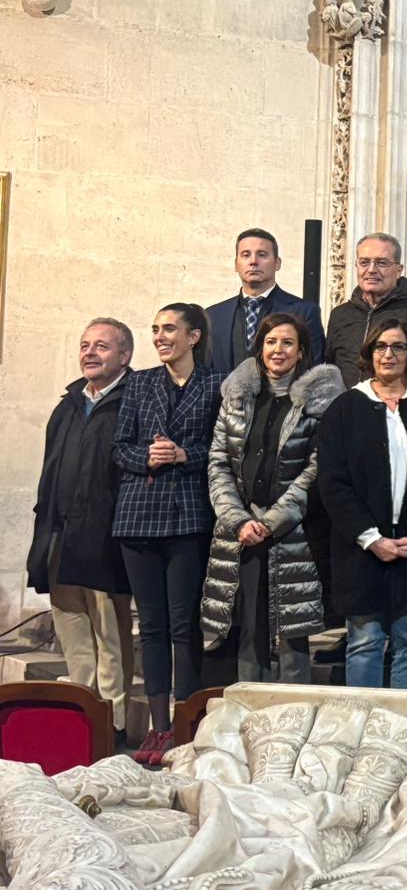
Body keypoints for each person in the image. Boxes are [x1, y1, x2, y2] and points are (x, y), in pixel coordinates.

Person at [317, 321, 407, 690]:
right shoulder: (345, 409)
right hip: (363, 552)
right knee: (365, 645)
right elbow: (333, 483)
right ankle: (362, 735)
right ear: (368, 354)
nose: (389, 354)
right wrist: (371, 538)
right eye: (381, 347)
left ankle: (403, 733)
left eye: (398, 347)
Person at [201, 313, 343, 682]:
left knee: (295, 635)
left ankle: (294, 719)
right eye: (270, 342)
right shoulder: (237, 397)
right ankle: (251, 716)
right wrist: (238, 519)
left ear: (301, 352)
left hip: (294, 531)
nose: (277, 350)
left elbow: (316, 469)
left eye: (287, 343)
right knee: (248, 626)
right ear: (259, 348)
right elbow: (218, 461)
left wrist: (270, 522)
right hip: (240, 530)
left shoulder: (318, 403)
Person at [112, 304, 225, 765]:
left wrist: (184, 455)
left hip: (188, 516)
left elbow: (223, 447)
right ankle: (158, 728)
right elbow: (119, 448)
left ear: (193, 336)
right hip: (138, 514)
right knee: (152, 625)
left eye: (170, 329)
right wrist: (147, 457)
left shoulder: (216, 385)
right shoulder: (139, 383)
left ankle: (185, 725)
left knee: (184, 624)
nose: (160, 337)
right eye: (155, 329)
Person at [27, 318, 137, 745]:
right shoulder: (69, 404)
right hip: (60, 533)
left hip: (105, 536)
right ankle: (81, 712)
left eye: (102, 347)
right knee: (72, 629)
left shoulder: (133, 400)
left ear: (124, 356)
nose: (90, 353)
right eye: (85, 345)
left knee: (109, 635)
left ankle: (114, 725)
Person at [205, 228, 325, 374]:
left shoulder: (304, 311)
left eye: (262, 255)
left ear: (277, 263)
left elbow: (313, 368)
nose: (253, 261)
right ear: (236, 264)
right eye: (246, 255)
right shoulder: (214, 315)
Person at [325, 232, 407, 388]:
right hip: (347, 408)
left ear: (399, 269)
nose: (371, 270)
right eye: (364, 262)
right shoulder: (340, 315)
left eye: (381, 263)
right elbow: (331, 367)